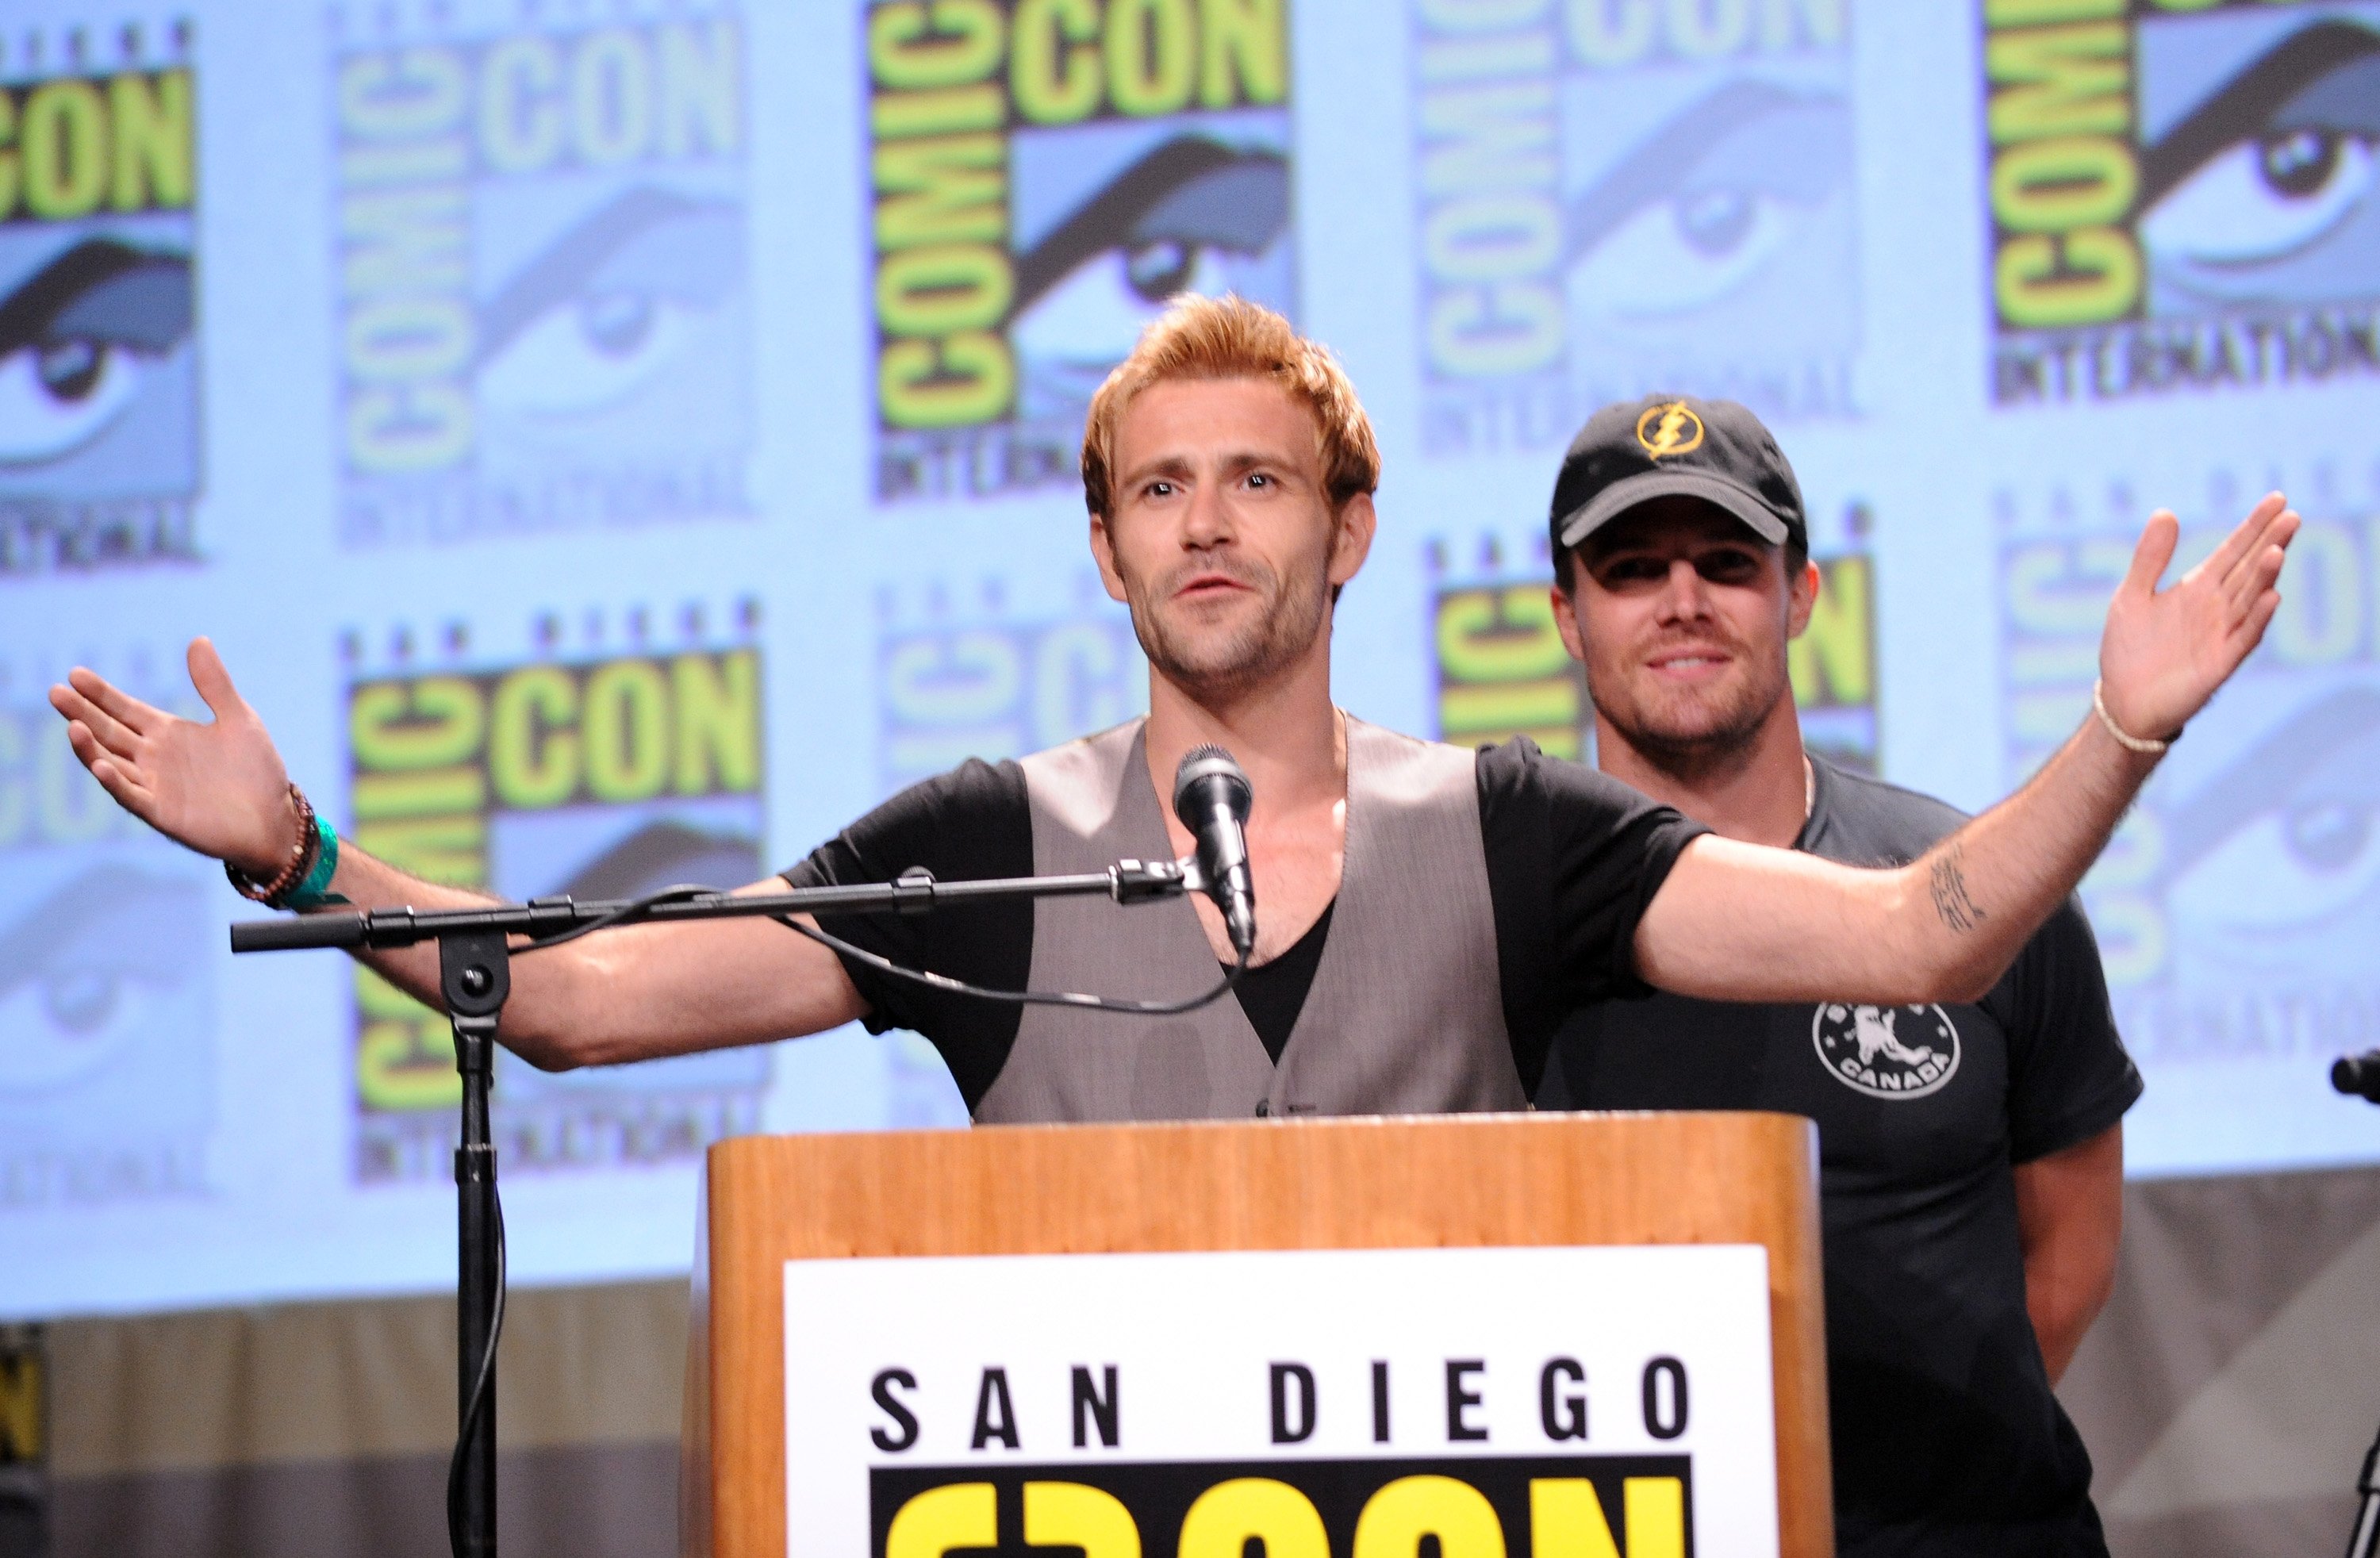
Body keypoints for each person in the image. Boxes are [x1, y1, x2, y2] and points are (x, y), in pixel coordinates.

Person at [48, 297, 2292, 1130]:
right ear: (1107, 552)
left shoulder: (1513, 832)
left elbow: (1919, 938)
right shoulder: (980, 843)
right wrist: (300, 857)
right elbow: (583, 1006)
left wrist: (2127, 734)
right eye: (1157, 490)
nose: (1207, 528)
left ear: (1347, 530)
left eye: (1255, 482)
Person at [1537, 393, 2133, 1554]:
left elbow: (2068, 1261)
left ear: (1801, 594)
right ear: (1568, 616)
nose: (1684, 602)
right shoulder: (1501, 924)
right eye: (1631, 569)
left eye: (1725, 561)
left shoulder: (1980, 889)